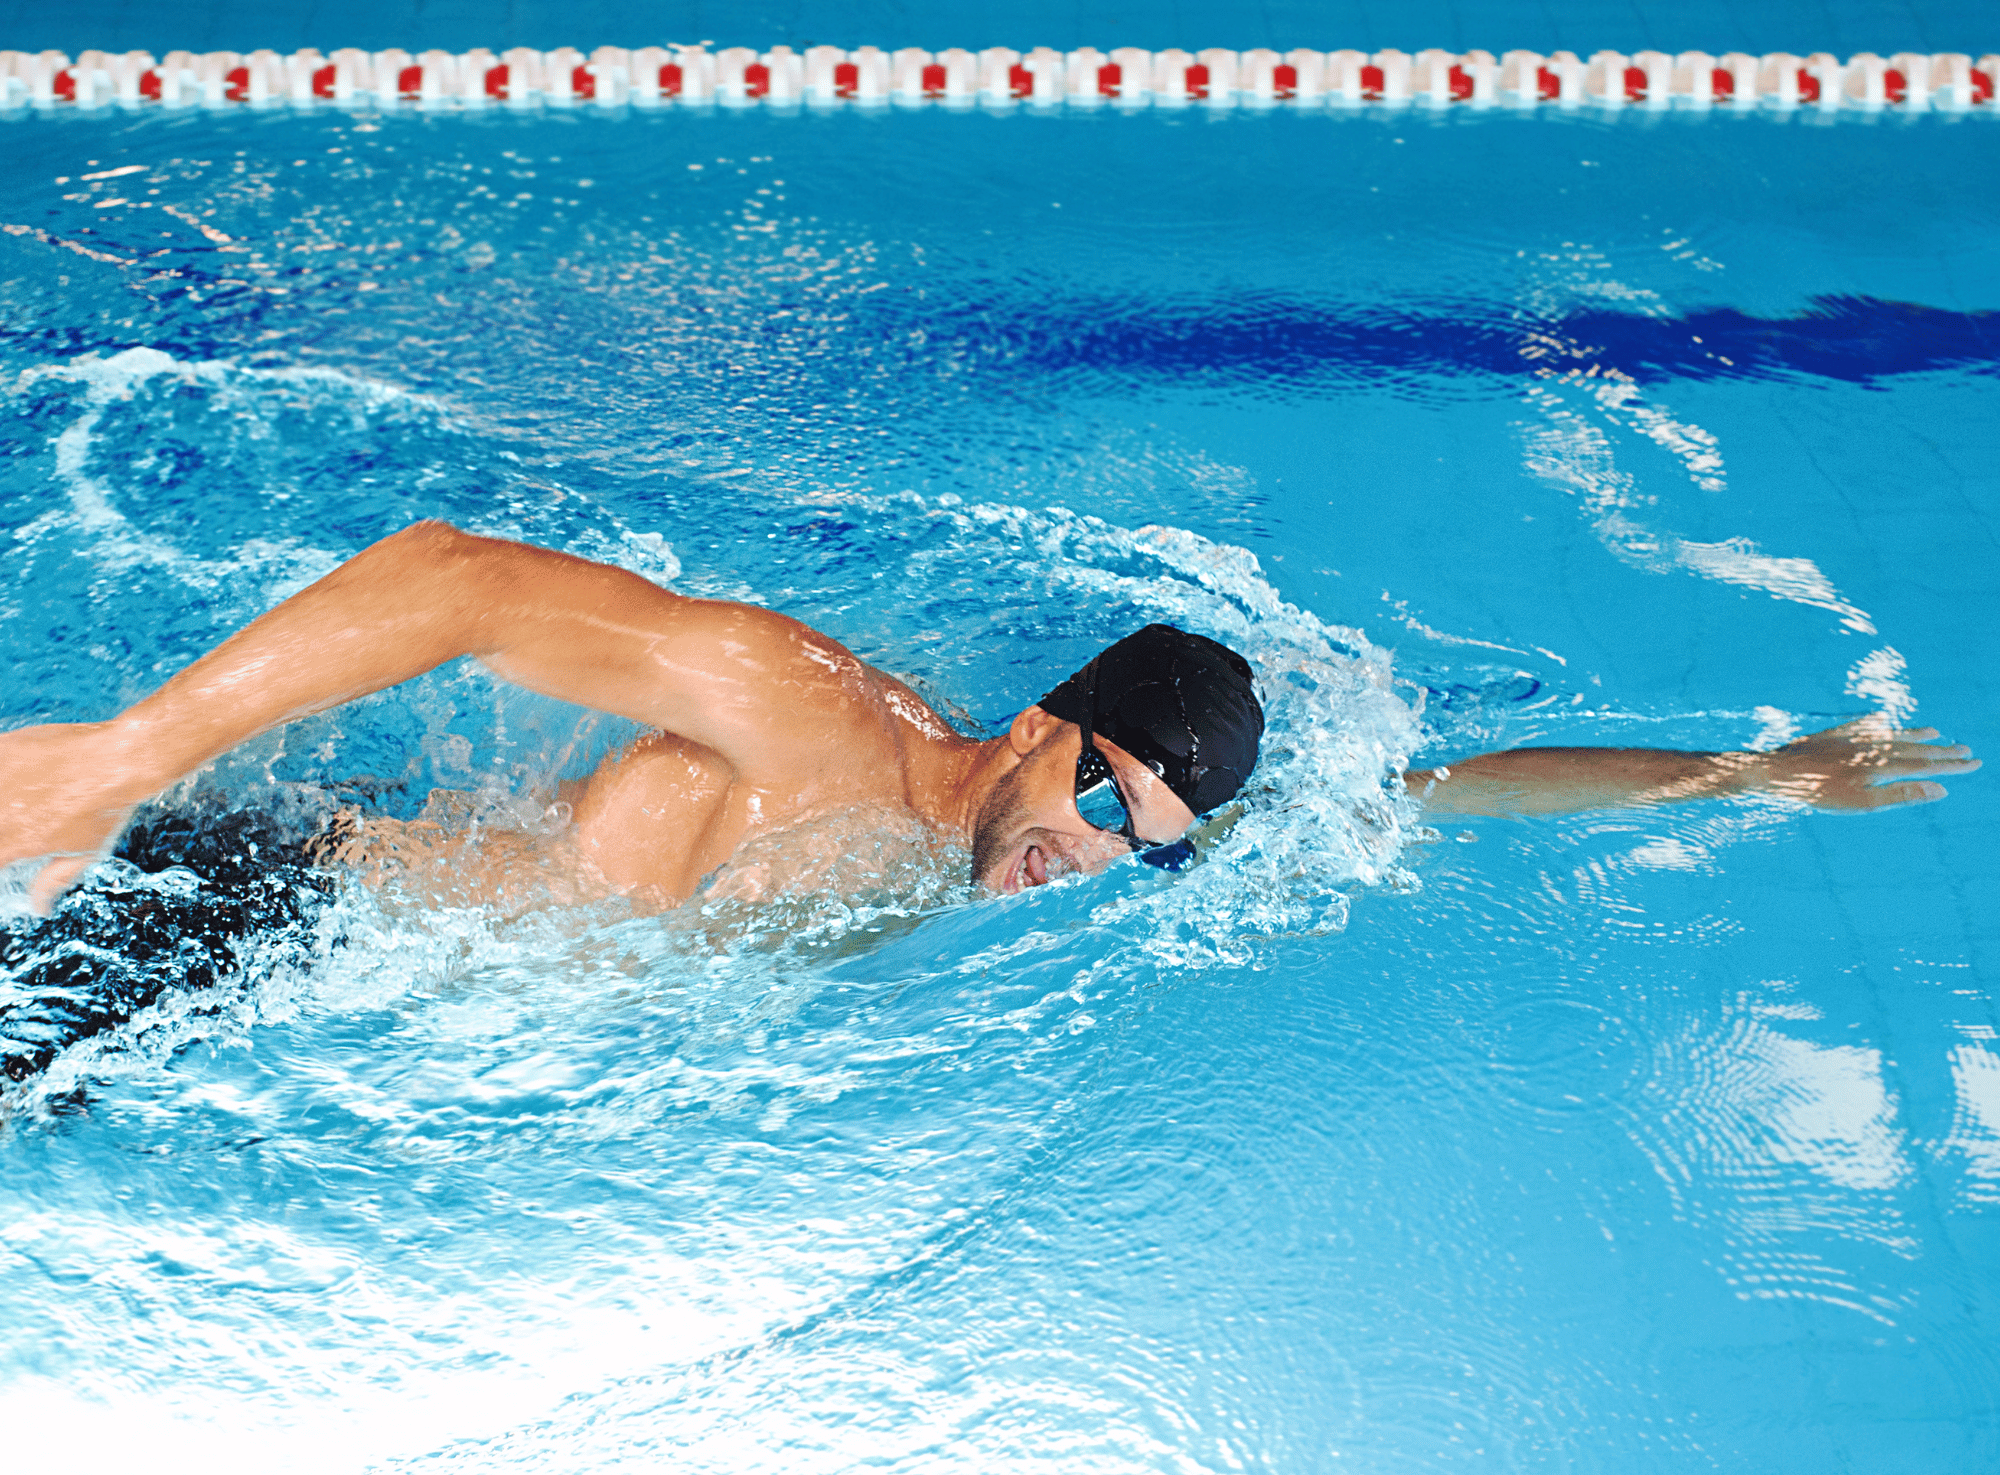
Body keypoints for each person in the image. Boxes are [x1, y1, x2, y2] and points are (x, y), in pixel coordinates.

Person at [0, 521, 1979, 920]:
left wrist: (1751, 772)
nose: (1092, 856)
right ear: (1036, 724)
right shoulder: (809, 718)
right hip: (253, 912)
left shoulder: (1106, 831)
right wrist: (120, 761)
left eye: (1149, 844)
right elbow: (460, 585)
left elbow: (1443, 792)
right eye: (1103, 793)